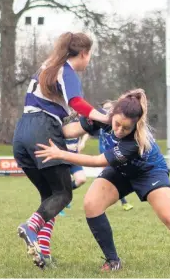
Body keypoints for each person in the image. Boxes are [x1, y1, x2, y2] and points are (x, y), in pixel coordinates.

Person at [35, 89, 170, 275]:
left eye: (126, 127)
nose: (119, 130)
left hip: (149, 172)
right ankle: (113, 261)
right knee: (91, 204)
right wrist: (43, 130)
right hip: (120, 171)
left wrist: (60, 154)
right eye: (117, 124)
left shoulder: (135, 141)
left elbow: (98, 161)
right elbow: (70, 131)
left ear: (136, 125)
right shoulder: (100, 117)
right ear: (111, 114)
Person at [13, 32, 110, 269]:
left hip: (22, 133)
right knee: (64, 194)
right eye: (90, 55)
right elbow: (76, 102)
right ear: (84, 53)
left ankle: (42, 253)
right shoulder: (66, 70)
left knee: (51, 197)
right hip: (42, 130)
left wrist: (88, 123)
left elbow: (64, 121)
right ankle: (30, 227)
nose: (89, 60)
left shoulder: (46, 67)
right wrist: (103, 117)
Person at [98, 100, 134, 211]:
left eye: (110, 108)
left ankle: (104, 200)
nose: (107, 111)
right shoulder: (100, 123)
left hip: (116, 153)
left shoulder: (118, 124)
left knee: (113, 178)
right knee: (108, 178)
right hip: (105, 154)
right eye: (105, 109)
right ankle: (123, 202)